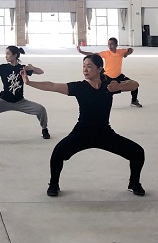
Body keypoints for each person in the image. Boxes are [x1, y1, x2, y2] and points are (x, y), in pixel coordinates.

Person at [21, 54, 146, 197]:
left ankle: (134, 183)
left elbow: (135, 84)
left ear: (100, 68)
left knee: (137, 152)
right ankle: (53, 184)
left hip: (104, 133)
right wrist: (29, 83)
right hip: (82, 133)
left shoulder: (109, 86)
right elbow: (52, 86)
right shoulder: (80, 87)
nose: (85, 70)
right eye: (84, 66)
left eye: (89, 66)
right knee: (57, 154)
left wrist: (120, 86)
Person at [79, 37, 141, 107]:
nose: (110, 46)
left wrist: (127, 53)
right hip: (107, 76)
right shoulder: (106, 53)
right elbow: (93, 55)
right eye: (108, 44)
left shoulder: (120, 52)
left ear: (116, 45)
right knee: (100, 89)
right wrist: (82, 52)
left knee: (134, 86)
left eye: (111, 44)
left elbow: (131, 49)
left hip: (118, 76)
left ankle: (134, 101)